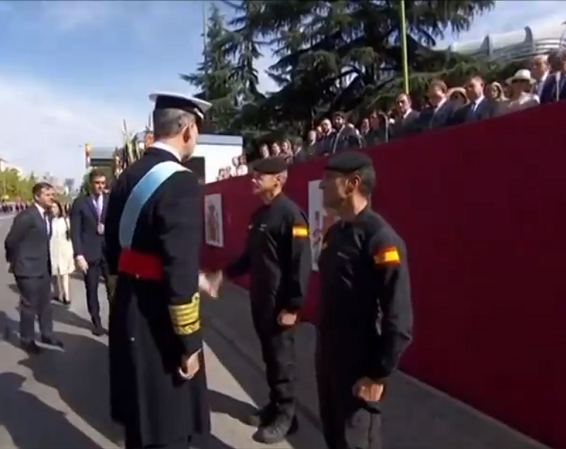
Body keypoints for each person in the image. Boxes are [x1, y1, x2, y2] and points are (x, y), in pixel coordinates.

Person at [104, 92, 216, 449]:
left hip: (128, 306)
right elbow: (179, 270)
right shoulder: (180, 183)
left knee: (140, 425)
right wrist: (189, 344)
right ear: (186, 130)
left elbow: (113, 252)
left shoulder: (126, 177)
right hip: (160, 323)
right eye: (196, 129)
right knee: (168, 428)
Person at [315, 151, 413, 449]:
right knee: (333, 437)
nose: (321, 186)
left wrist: (377, 374)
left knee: (356, 441)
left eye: (329, 179)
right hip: (329, 360)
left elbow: (398, 319)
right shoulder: (335, 233)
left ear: (352, 183)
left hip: (360, 368)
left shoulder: (381, 238)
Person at [210, 156, 312, 443]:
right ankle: (275, 405)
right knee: (270, 358)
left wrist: (293, 306)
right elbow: (248, 258)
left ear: (277, 180)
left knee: (283, 360)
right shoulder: (259, 216)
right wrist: (223, 275)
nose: (253, 179)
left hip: (281, 305)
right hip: (261, 301)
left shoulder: (291, 216)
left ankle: (286, 417)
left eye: (259, 176)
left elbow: (300, 264)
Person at [4, 182, 63, 355]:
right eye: (47, 195)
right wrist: (16, 260)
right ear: (37, 197)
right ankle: (27, 339)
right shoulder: (27, 216)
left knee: (45, 304)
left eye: (52, 195)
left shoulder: (46, 215)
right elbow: (11, 241)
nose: (51, 198)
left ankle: (47, 333)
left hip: (43, 267)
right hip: (27, 268)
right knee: (29, 306)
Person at [70, 169, 110, 335]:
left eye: (102, 183)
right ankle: (97, 322)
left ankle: (115, 323)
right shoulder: (80, 203)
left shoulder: (110, 200)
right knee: (91, 289)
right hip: (89, 254)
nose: (100, 186)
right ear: (90, 183)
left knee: (113, 290)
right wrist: (79, 254)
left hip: (108, 253)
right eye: (97, 183)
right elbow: (75, 231)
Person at [49, 200, 75, 306]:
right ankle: (57, 293)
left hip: (65, 248)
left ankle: (67, 296)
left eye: (55, 207)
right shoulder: (48, 220)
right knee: (54, 273)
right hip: (53, 248)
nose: (53, 209)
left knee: (64, 273)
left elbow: (71, 235)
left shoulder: (66, 220)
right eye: (51, 207)